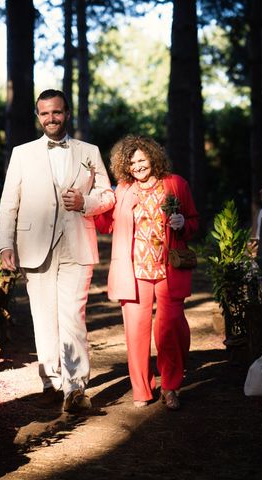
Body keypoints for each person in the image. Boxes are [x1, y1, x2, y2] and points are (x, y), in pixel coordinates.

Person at [0, 89, 115, 413]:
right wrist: (5, 245)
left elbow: (108, 195)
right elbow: (9, 202)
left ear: (67, 113)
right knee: (43, 318)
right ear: (38, 116)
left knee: (72, 316)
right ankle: (51, 380)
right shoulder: (22, 153)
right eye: (45, 113)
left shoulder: (89, 151)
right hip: (35, 247)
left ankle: (75, 388)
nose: (51, 118)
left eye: (57, 112)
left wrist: (86, 203)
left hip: (77, 244)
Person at [97, 135, 198, 410]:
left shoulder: (176, 184)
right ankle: (141, 390)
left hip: (169, 269)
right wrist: (90, 199)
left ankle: (170, 386)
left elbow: (193, 221)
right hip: (134, 271)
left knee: (170, 328)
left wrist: (182, 224)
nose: (138, 166)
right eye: (131, 163)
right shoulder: (122, 190)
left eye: (142, 160)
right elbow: (104, 222)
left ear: (153, 158)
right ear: (125, 167)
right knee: (136, 332)